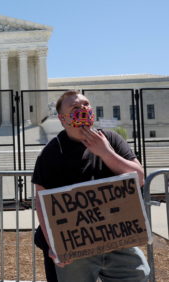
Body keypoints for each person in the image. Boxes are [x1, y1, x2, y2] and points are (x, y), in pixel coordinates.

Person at [32, 90, 150, 282]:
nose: (83, 109)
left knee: (139, 275)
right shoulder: (51, 152)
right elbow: (42, 202)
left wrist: (105, 153)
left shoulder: (111, 140)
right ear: (62, 119)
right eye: (76, 107)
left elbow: (139, 178)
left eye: (86, 105)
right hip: (75, 246)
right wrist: (54, 245)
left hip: (117, 239)